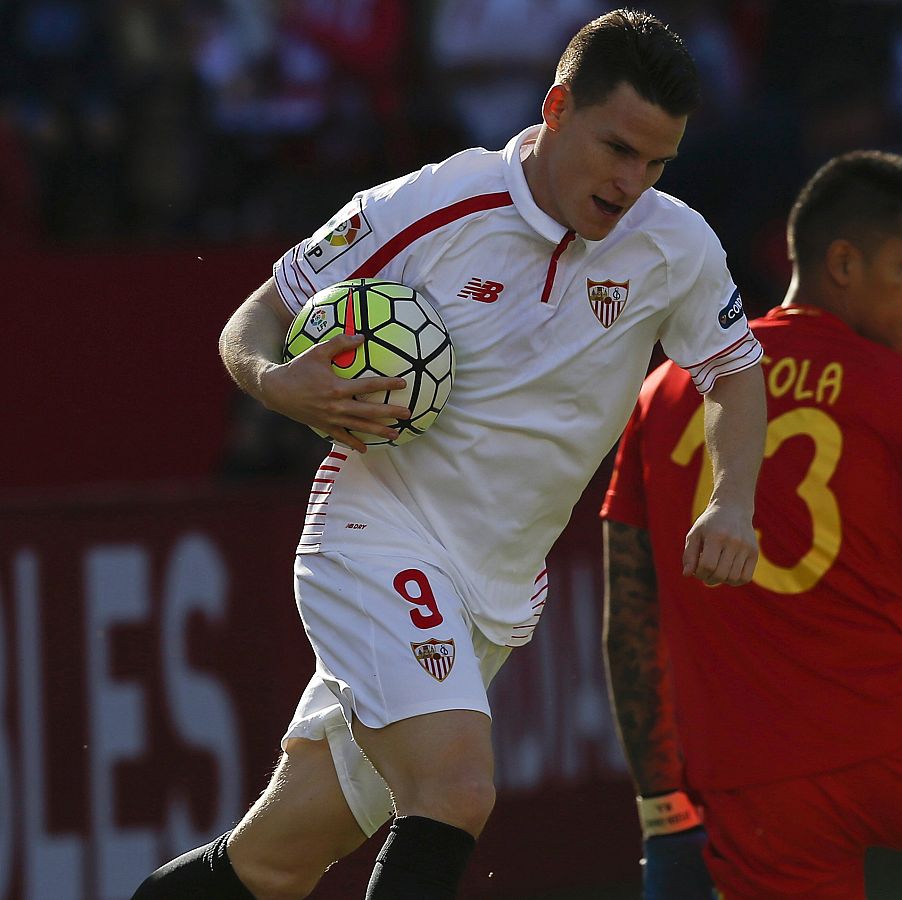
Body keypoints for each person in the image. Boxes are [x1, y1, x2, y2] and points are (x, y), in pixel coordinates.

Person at [135, 10, 766, 899]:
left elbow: (738, 374)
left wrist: (732, 499)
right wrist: (275, 383)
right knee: (458, 789)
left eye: (657, 163)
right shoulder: (433, 204)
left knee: (273, 861)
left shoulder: (676, 243)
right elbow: (259, 315)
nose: (632, 183)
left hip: (498, 591)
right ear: (555, 107)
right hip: (376, 530)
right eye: (618, 149)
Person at [602, 150, 902, 899]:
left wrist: (662, 814)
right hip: (899, 743)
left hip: (754, 785)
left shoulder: (664, 393)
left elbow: (629, 630)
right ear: (842, 262)